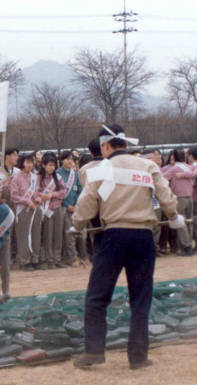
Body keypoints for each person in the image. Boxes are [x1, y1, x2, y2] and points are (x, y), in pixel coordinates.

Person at [72, 124, 181, 371]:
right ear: (125, 144)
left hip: (113, 237)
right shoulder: (148, 165)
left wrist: (76, 224)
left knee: (98, 296)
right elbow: (165, 197)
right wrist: (174, 215)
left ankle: (94, 351)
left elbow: (87, 203)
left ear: (105, 146)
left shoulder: (102, 168)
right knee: (140, 298)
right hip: (143, 236)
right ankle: (138, 356)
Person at [10, 153, 42, 271]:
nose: (30, 165)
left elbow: (38, 191)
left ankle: (35, 258)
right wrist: (26, 201)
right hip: (23, 210)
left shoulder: (35, 177)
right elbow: (14, 196)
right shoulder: (16, 177)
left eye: (32, 162)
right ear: (22, 163)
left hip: (35, 208)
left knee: (36, 234)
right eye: (27, 162)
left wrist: (38, 198)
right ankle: (24, 260)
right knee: (23, 235)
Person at [161, 148, 194, 256]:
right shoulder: (189, 167)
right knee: (189, 221)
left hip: (180, 197)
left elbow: (162, 177)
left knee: (180, 221)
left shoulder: (175, 168)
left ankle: (186, 246)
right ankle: (189, 243)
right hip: (190, 196)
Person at [38, 152, 66, 269]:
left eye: (53, 165)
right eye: (49, 165)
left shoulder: (58, 177)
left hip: (57, 208)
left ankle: (57, 258)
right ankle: (48, 259)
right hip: (45, 209)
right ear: (43, 165)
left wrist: (52, 194)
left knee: (58, 234)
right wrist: (42, 196)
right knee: (47, 234)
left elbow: (63, 192)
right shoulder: (38, 178)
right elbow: (35, 191)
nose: (52, 168)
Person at [57, 150, 82, 266]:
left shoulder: (75, 174)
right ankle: (72, 257)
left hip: (75, 208)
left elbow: (80, 191)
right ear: (62, 160)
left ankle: (76, 256)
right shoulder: (58, 174)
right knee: (68, 233)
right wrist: (67, 206)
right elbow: (57, 193)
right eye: (67, 159)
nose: (69, 161)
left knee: (77, 233)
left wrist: (76, 205)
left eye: (71, 159)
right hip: (63, 208)